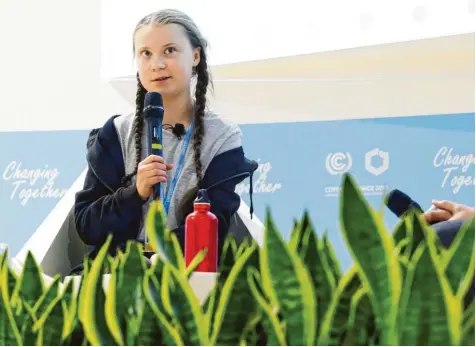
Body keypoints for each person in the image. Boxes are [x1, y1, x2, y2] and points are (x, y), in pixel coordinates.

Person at [73, 9, 256, 266]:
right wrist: (134, 192)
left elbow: (213, 228)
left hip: (185, 274)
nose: (157, 64)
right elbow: (86, 226)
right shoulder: (115, 132)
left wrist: (162, 260)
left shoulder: (222, 137)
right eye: (145, 53)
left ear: (195, 56)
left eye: (169, 50)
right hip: (116, 275)